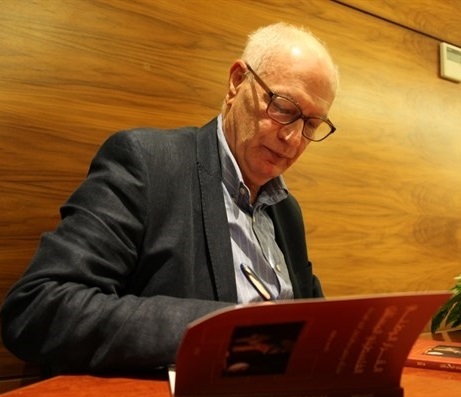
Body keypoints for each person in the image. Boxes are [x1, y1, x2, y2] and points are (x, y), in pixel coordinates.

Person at [0, 22, 339, 376]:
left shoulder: (286, 211)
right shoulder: (146, 164)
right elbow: (39, 307)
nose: (293, 138)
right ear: (237, 82)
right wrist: (225, 329)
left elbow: (313, 323)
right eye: (284, 107)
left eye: (312, 124)